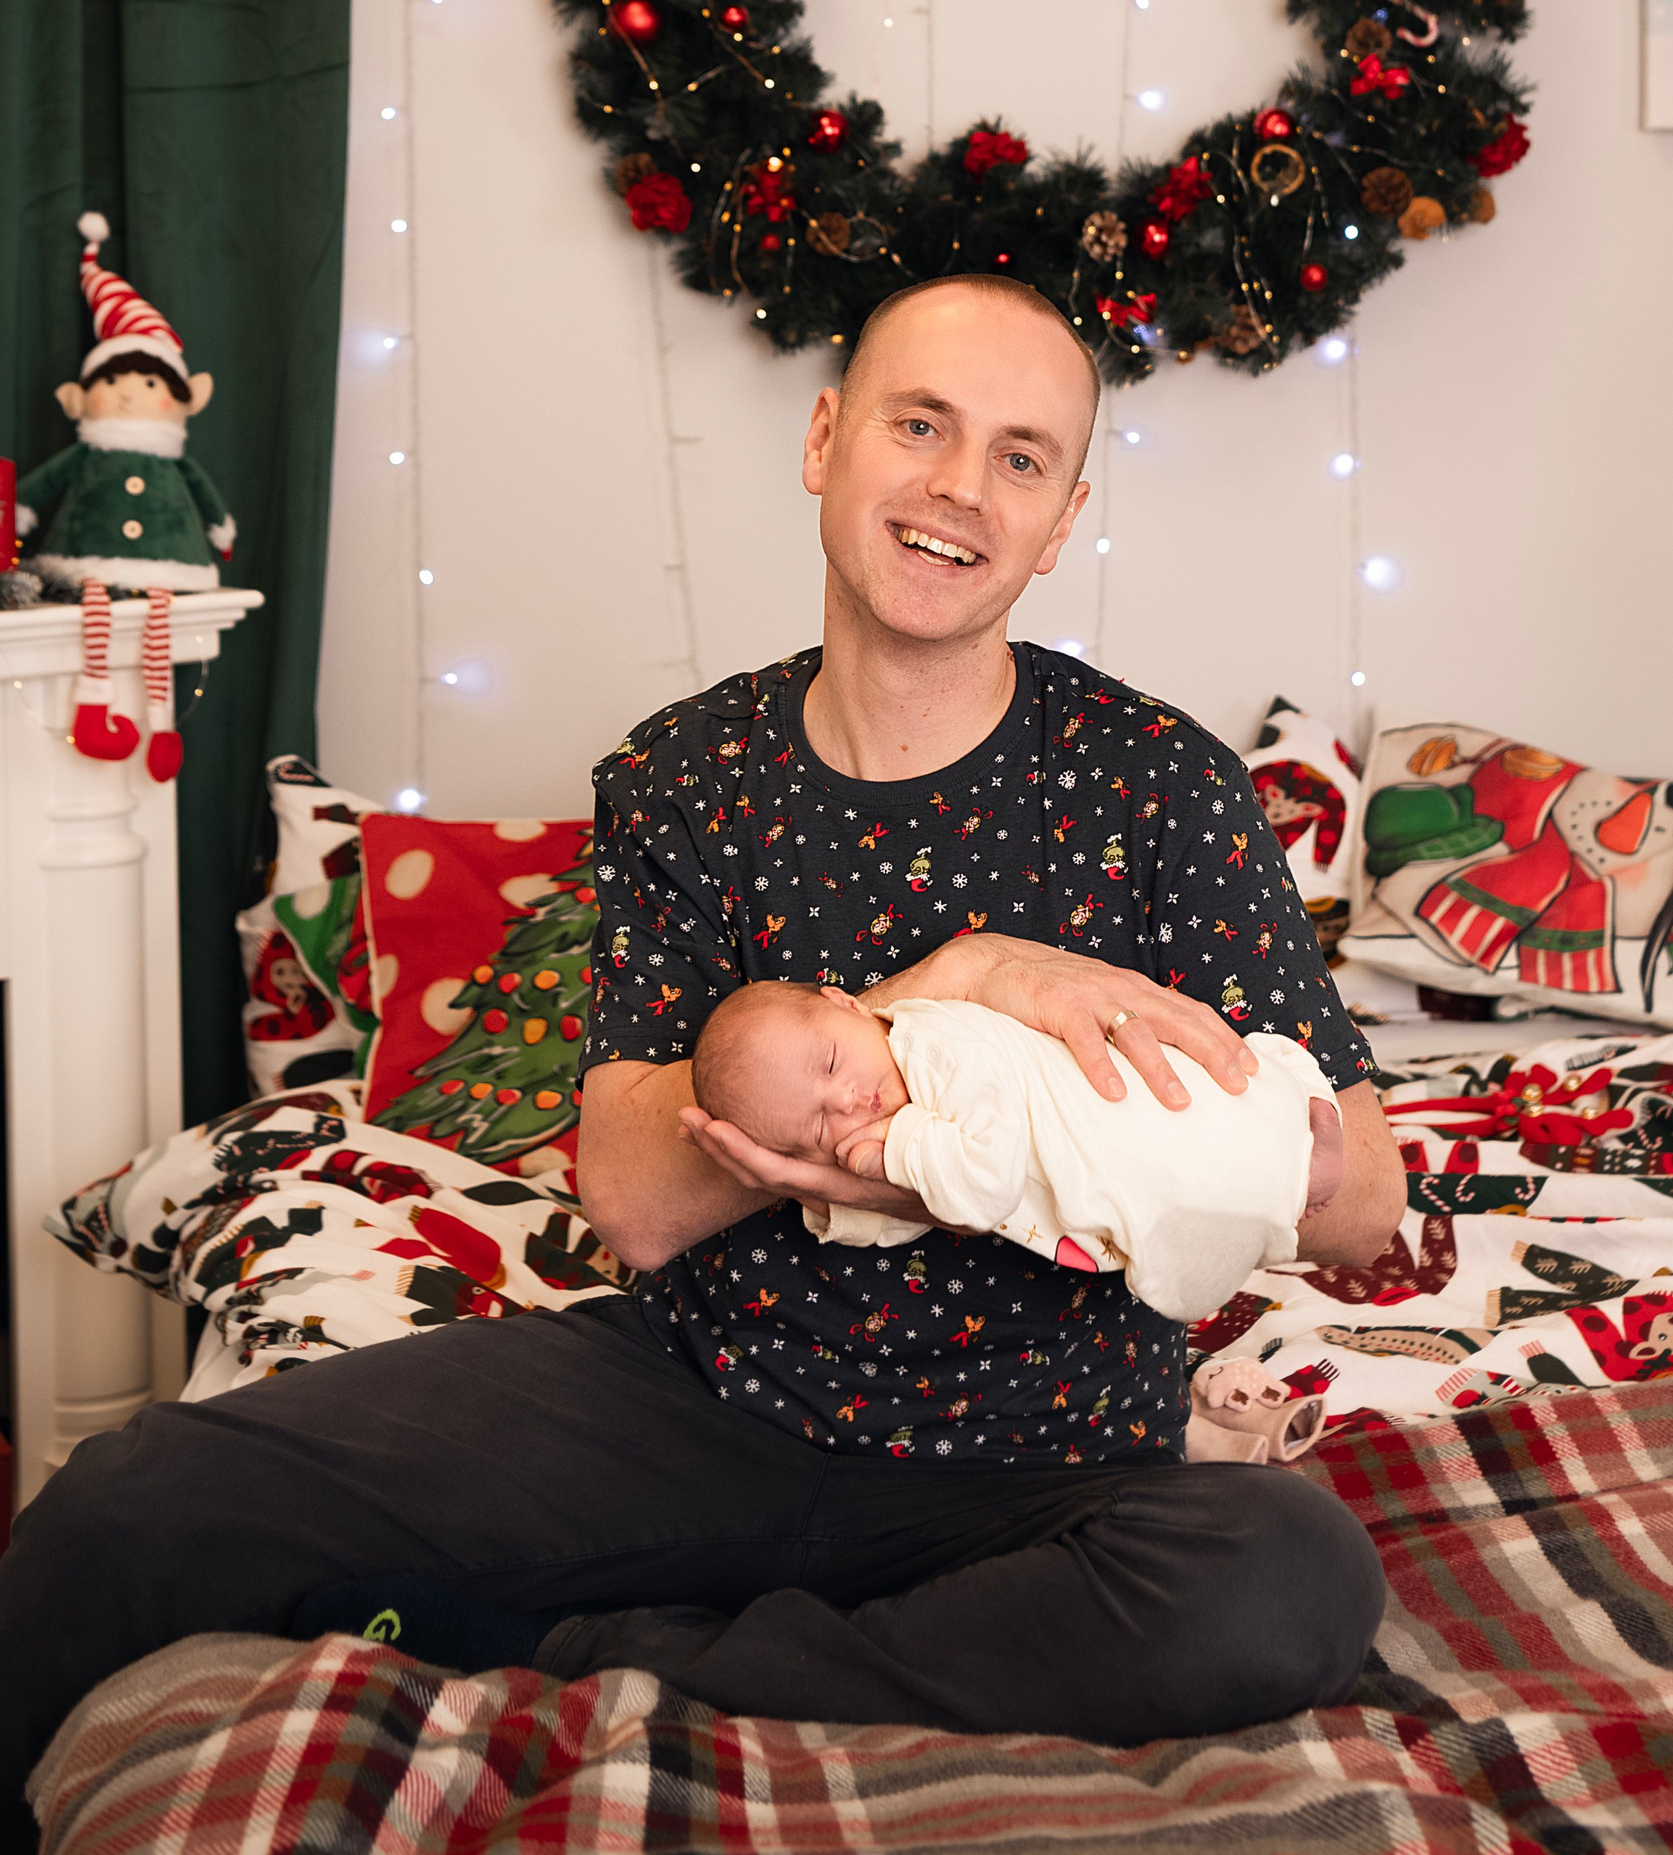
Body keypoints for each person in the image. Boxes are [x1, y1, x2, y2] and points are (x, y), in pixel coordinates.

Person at [0, 275, 1402, 1841]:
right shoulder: (688, 775)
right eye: (920, 425)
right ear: (825, 441)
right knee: (126, 1509)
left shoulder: (1159, 788)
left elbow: (1365, 1204)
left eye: (1020, 458)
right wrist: (946, 985)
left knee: (1292, 1577)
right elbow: (633, 1199)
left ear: (1063, 519)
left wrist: (1104, 1153)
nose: (960, 486)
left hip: (1045, 1460)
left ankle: (616, 1657)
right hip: (698, 1402)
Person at [688, 977, 1349, 1316]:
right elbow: (912, 1210)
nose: (846, 1101)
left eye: (833, 1063)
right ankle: (1284, 1179)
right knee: (1189, 1201)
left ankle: (1294, 1158)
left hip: (1143, 1111)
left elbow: (984, 1187)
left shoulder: (937, 1044)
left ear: (850, 1004)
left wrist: (898, 1145)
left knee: (1200, 1155)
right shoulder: (907, 1114)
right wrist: (824, 1189)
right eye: (816, 1129)